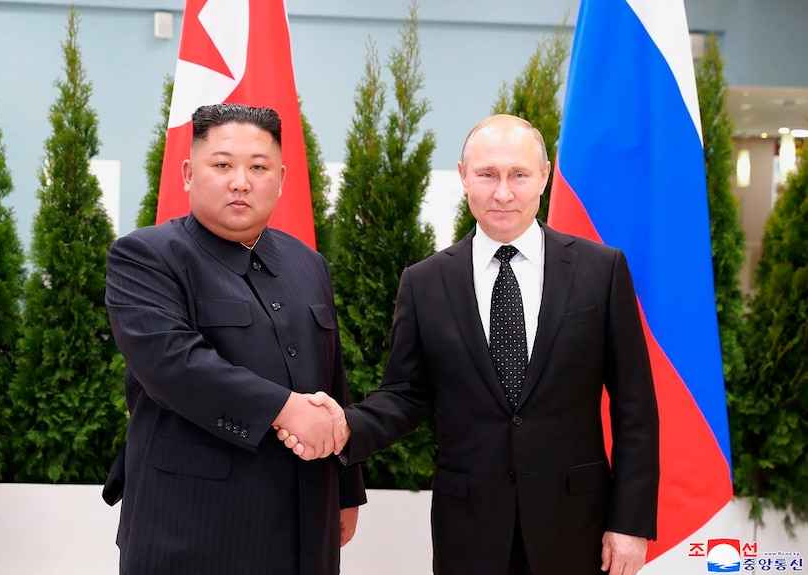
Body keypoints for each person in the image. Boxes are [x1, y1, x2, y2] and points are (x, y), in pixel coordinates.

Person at [279, 114, 659, 575]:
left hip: (578, 527)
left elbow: (635, 409)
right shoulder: (424, 283)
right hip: (470, 531)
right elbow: (404, 396)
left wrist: (631, 523)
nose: (503, 193)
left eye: (519, 174)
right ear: (463, 176)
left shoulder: (602, 271)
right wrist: (343, 427)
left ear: (544, 175)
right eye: (487, 175)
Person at [103, 103, 365, 575]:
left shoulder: (309, 263)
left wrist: (346, 491)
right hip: (190, 530)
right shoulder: (146, 256)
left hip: (305, 527)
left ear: (282, 179)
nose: (240, 181)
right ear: (188, 172)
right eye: (222, 164)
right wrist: (286, 409)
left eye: (258, 167)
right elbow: (173, 366)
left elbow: (332, 380)